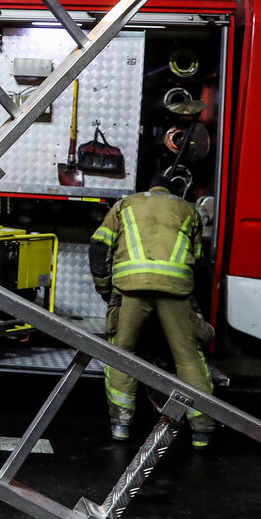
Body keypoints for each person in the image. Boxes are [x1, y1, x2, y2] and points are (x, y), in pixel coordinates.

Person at [88, 166, 216, 448]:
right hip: (176, 291)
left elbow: (99, 247)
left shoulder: (124, 205)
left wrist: (104, 288)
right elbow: (197, 258)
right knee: (188, 357)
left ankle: (121, 426)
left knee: (122, 354)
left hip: (131, 288)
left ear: (150, 188)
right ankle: (202, 430)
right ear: (172, 191)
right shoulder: (189, 210)